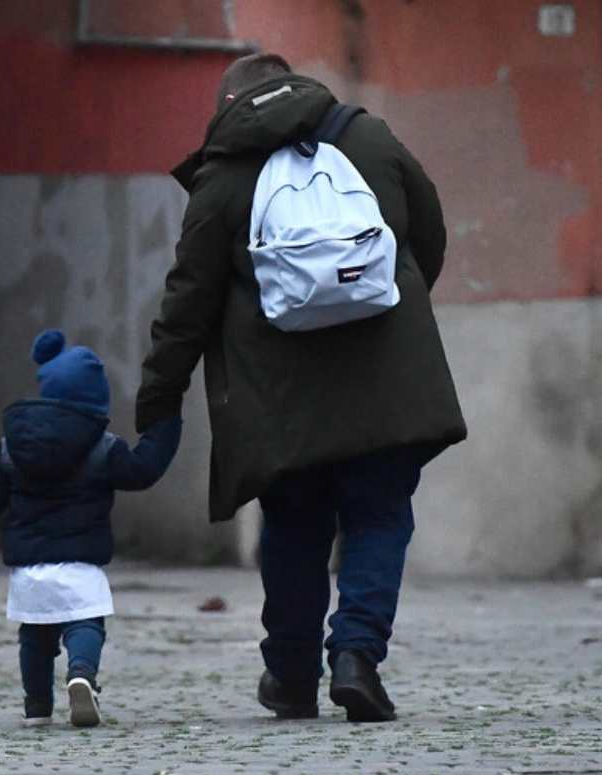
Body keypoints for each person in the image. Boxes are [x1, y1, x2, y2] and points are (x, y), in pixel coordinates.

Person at [136, 53, 467, 722]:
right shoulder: (370, 139)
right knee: (379, 516)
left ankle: (289, 679)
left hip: (277, 400)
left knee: (294, 527)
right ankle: (356, 656)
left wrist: (158, 398)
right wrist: (391, 312)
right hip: (384, 382)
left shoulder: (224, 176)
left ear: (228, 105)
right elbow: (427, 233)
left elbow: (187, 303)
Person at [0, 329, 182, 727]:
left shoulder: (12, 446)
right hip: (79, 563)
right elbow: (143, 470)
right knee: (85, 623)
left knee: (34, 636)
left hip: (30, 567)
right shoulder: (103, 449)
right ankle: (82, 674)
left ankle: (37, 707)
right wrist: (166, 425)